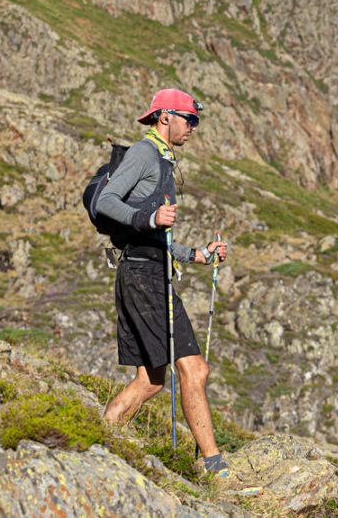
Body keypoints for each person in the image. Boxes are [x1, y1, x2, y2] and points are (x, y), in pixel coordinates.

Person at [95, 88, 230, 477]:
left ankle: (100, 437)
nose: (194, 127)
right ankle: (215, 468)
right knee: (195, 370)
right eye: (190, 119)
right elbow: (108, 201)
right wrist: (149, 220)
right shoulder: (144, 153)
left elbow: (161, 238)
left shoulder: (164, 160)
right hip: (143, 277)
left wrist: (198, 254)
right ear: (164, 117)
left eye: (196, 120)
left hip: (146, 271)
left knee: (152, 380)